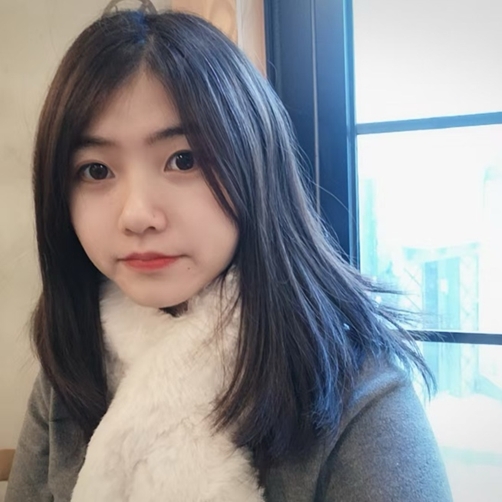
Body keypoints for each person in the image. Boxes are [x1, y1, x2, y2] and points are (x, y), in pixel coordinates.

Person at [6, 9, 452, 502]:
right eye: (95, 170)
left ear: (255, 164)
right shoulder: (71, 370)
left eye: (184, 160)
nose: (136, 215)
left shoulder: (358, 402)